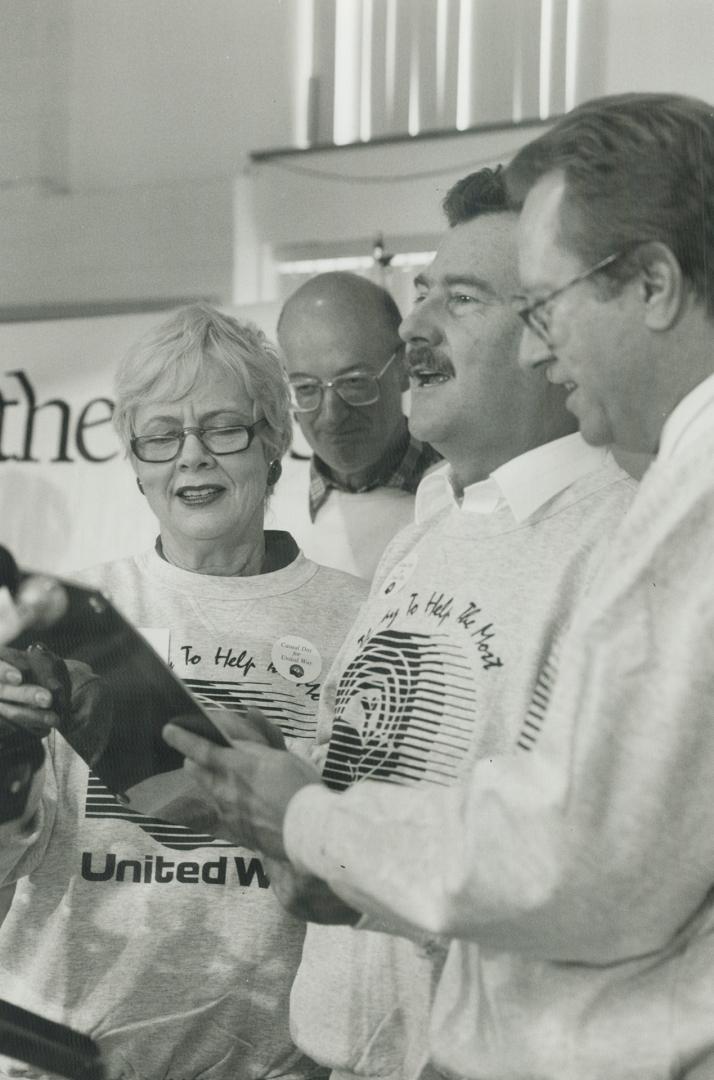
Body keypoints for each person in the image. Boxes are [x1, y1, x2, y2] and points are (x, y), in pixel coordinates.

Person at [164, 167, 639, 1080]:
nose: (413, 329)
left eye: (460, 299)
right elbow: (388, 781)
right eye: (421, 293)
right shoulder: (431, 534)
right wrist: (273, 768)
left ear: (555, 329)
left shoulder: (618, 545)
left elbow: (553, 874)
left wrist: (311, 819)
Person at [0, 303, 367, 1080]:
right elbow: (9, 857)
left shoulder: (361, 617)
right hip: (65, 1059)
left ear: (273, 443)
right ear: (135, 461)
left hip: (273, 1064)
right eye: (161, 436)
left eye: (223, 428)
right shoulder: (66, 617)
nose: (190, 458)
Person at [271, 272, 440, 580]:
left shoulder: (458, 496)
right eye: (307, 388)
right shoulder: (269, 512)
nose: (332, 414)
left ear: (406, 366)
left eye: (354, 382)